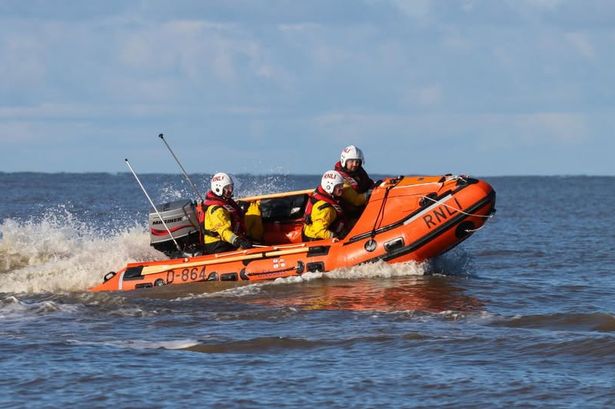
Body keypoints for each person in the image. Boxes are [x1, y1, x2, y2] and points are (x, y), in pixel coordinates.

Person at [202, 172, 253, 254]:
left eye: (231, 187)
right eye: (227, 188)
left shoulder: (226, 203)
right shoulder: (216, 210)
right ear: (218, 188)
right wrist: (237, 241)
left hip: (226, 241)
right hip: (217, 245)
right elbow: (224, 232)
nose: (230, 190)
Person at [302, 170, 347, 241]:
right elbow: (319, 231)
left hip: (314, 231)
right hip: (316, 238)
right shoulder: (325, 210)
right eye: (339, 186)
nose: (342, 188)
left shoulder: (326, 196)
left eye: (341, 185)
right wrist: (334, 236)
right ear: (329, 186)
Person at [334, 145, 376, 219]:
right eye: (351, 161)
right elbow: (356, 201)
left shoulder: (359, 173)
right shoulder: (339, 179)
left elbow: (368, 183)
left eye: (357, 161)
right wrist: (370, 192)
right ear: (344, 161)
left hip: (363, 207)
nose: (355, 164)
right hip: (350, 213)